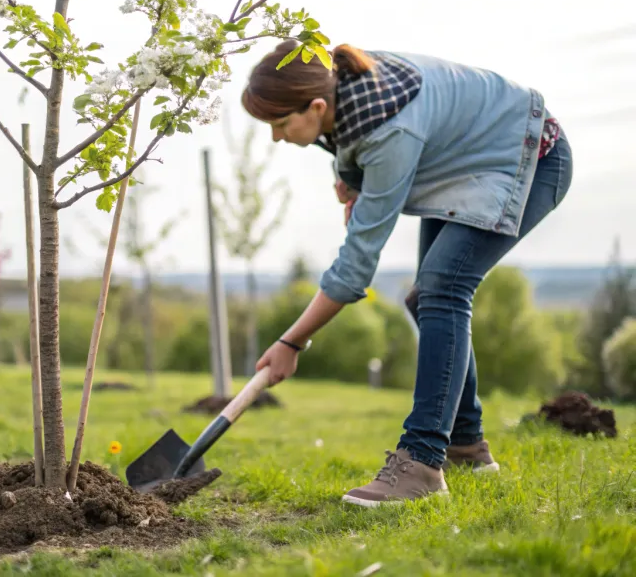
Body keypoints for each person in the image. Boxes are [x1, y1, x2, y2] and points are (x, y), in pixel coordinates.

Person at [241, 40, 572, 507]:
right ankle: (467, 446)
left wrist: (290, 342)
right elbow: (351, 145)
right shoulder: (344, 90)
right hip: (464, 162)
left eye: (279, 124)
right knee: (428, 297)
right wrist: (352, 179)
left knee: (443, 289)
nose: (275, 136)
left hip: (528, 155)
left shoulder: (388, 128)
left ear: (316, 106)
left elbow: (356, 268)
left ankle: (421, 463)